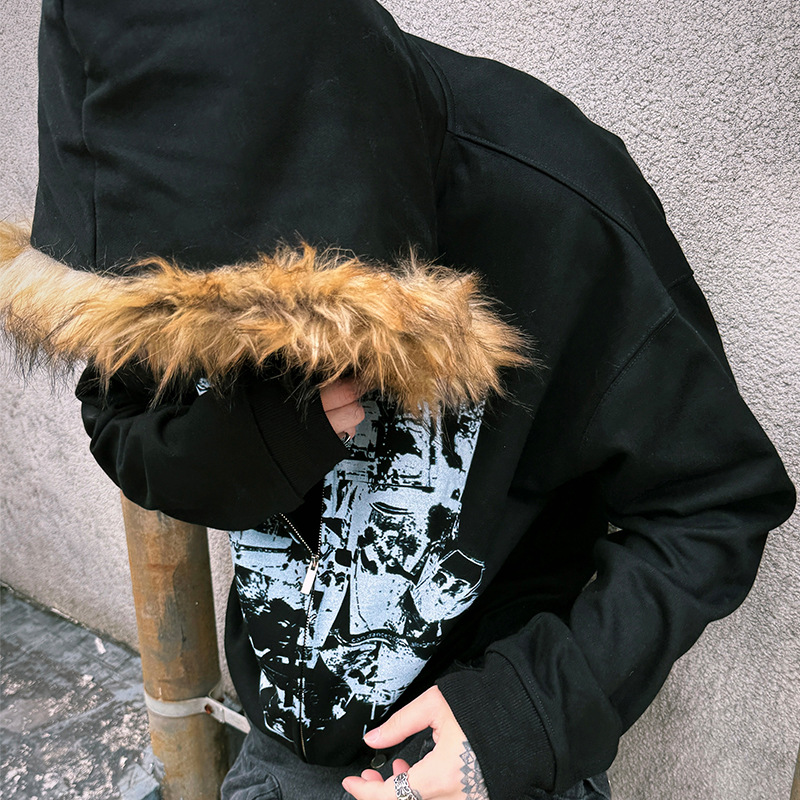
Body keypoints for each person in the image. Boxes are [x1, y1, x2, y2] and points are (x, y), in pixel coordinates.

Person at [0, 1, 794, 799]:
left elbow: (715, 502)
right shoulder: (135, 205)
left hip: (484, 757)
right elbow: (120, 422)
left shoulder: (552, 202)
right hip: (281, 753)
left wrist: (519, 720)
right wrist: (262, 438)